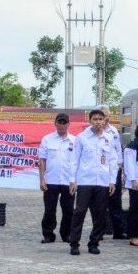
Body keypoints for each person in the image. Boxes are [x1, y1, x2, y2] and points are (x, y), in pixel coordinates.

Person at [68, 107, 118, 255]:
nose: (98, 122)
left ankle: (94, 242)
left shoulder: (109, 138)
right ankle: (74, 243)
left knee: (100, 215)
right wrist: (73, 180)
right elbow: (74, 160)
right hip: (85, 181)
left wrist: (112, 181)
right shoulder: (82, 138)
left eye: (100, 119)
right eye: (95, 119)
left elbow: (113, 161)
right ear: (90, 121)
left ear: (105, 121)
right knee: (79, 213)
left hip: (102, 182)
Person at [38, 113, 76, 244]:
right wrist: (42, 179)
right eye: (59, 122)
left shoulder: (75, 141)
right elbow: (42, 160)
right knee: (49, 210)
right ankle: (48, 235)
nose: (62, 125)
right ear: (55, 123)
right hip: (51, 181)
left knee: (69, 210)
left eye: (64, 122)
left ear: (68, 124)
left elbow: (77, 162)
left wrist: (75, 181)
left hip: (68, 181)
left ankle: (67, 234)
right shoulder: (47, 139)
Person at [98, 105, 126, 240]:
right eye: (102, 115)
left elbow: (118, 150)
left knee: (116, 202)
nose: (105, 117)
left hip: (114, 170)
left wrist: (120, 168)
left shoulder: (114, 131)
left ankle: (118, 232)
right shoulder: (91, 132)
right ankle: (100, 231)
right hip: (100, 171)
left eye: (106, 115)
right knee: (100, 203)